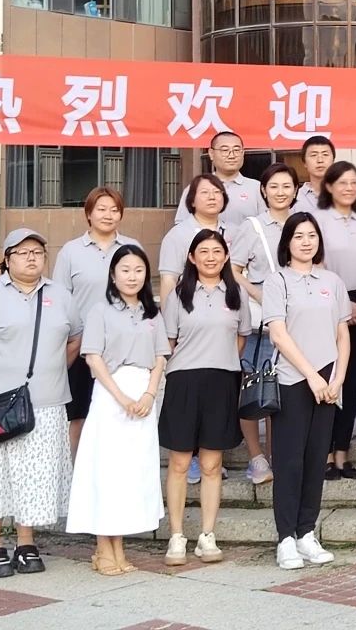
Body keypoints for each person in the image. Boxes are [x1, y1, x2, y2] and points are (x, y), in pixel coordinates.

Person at [0, 228, 83, 579]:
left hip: (47, 404)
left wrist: (52, 371)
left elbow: (74, 339)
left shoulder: (61, 296)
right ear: (7, 260)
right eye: (22, 252)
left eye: (37, 252)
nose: (31, 258)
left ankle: (26, 544)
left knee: (35, 478)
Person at [66, 244, 169, 574]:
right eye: (125, 270)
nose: (132, 276)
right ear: (113, 275)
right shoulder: (100, 311)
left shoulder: (152, 313)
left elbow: (160, 357)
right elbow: (93, 357)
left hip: (143, 396)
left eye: (138, 270)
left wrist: (150, 394)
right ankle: (102, 548)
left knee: (131, 474)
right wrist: (121, 397)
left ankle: (118, 548)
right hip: (111, 395)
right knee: (107, 471)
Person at [261, 212, 350, 570]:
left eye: (311, 235)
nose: (306, 242)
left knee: (316, 460)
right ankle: (285, 538)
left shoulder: (332, 281)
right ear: (287, 242)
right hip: (293, 379)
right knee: (289, 461)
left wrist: (338, 378)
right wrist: (312, 375)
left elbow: (343, 333)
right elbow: (278, 334)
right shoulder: (277, 280)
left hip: (328, 381)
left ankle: (306, 533)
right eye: (298, 236)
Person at [158, 230, 251, 566]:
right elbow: (168, 342)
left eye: (217, 251)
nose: (211, 257)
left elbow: (241, 338)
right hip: (183, 381)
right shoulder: (178, 294)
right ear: (192, 257)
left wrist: (221, 361)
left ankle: (207, 535)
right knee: (180, 463)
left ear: (226, 256)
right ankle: (177, 536)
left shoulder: (236, 293)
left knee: (212, 465)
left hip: (222, 381)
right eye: (203, 251)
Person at [52, 187, 140, 453]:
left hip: (122, 347)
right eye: (101, 209)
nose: (108, 215)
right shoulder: (71, 251)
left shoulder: (131, 248)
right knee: (79, 415)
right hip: (82, 347)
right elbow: (59, 301)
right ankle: (76, 471)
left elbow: (142, 296)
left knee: (118, 413)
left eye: (114, 210)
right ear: (88, 213)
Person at [229, 163, 299, 485]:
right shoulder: (253, 227)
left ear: (295, 190)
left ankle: (276, 455)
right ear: (263, 191)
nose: (280, 192)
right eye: (274, 186)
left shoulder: (302, 224)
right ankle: (256, 457)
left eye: (286, 186)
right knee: (254, 387)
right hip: (260, 324)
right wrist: (260, 294)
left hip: (295, 321)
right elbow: (233, 270)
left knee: (281, 391)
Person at [316, 161, 356, 480]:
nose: (349, 188)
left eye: (354, 182)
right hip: (327, 302)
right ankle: (326, 453)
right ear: (329, 186)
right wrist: (345, 303)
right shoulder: (318, 220)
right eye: (342, 182)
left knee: (352, 378)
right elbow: (316, 262)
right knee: (329, 374)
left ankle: (343, 452)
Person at [174, 131, 266, 232]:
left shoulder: (257, 188)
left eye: (236, 150)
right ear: (211, 153)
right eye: (225, 150)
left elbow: (266, 225)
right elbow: (181, 226)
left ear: (243, 153)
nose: (231, 156)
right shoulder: (197, 188)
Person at [160, 174, 227, 295]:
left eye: (217, 192)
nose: (212, 197)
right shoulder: (177, 235)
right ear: (192, 201)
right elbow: (169, 280)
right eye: (204, 192)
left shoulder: (235, 231)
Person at [294, 135, 336, 213]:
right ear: (304, 162)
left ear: (333, 161)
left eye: (325, 154)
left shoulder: (344, 194)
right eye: (314, 155)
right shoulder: (294, 198)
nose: (320, 160)